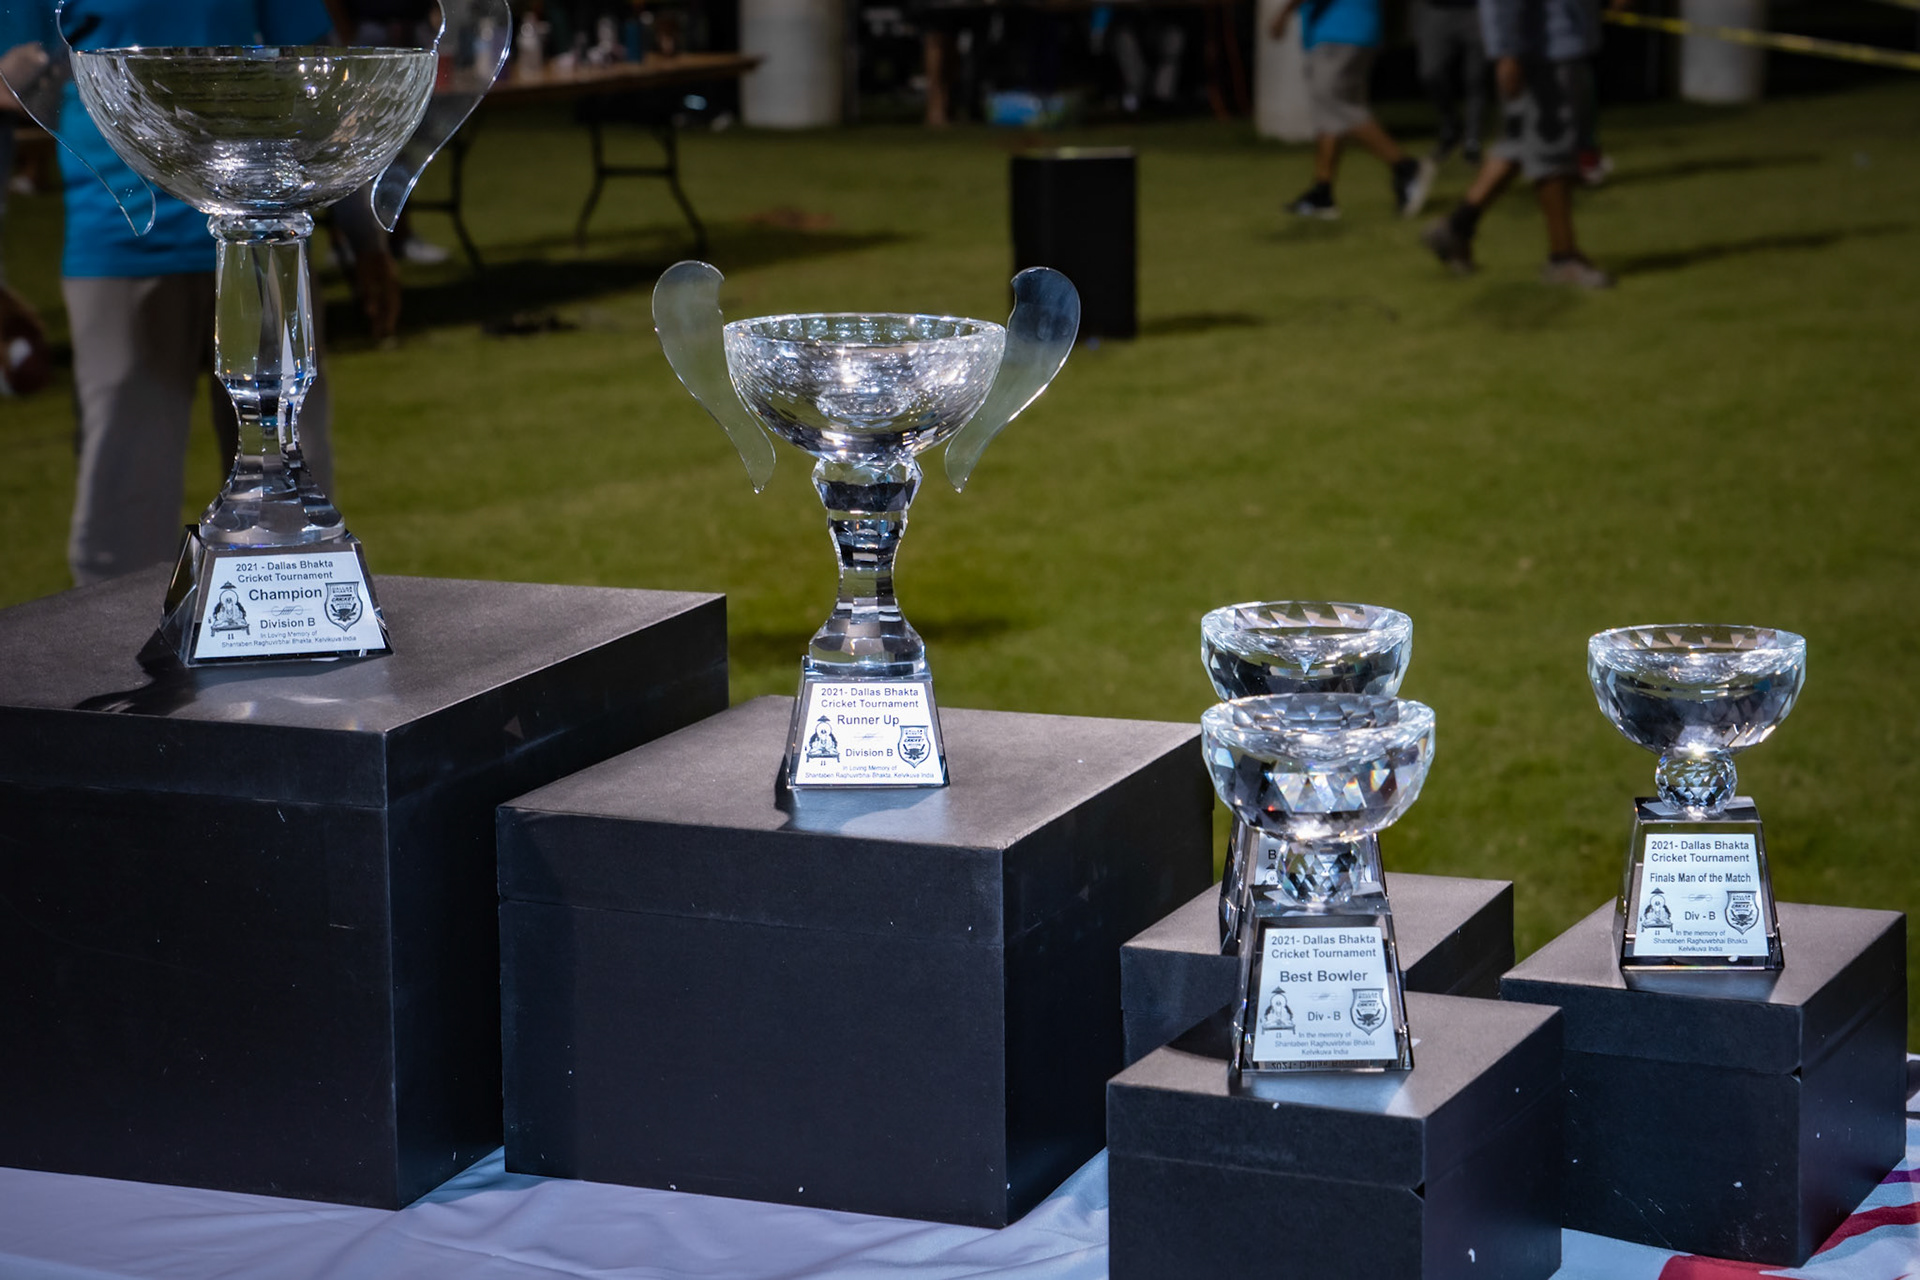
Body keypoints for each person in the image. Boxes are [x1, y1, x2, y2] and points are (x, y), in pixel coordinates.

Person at [46, 0, 397, 585]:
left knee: (289, 494)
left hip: (265, 229)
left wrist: (366, 235)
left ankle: (296, 628)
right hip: (123, 238)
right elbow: (18, 67)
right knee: (125, 505)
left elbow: (321, 79)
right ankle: (118, 640)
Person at [1418, 0, 1612, 286]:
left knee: (1518, 144)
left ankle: (1456, 228)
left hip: (1545, 44)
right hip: (1543, 49)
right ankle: (1563, 258)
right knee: (1553, 151)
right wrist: (1508, 52)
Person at [1272, 0, 1436, 220]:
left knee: (1334, 103)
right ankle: (1322, 193)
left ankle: (1406, 167)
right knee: (1330, 111)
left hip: (1340, 28)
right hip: (1352, 28)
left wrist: (1283, 12)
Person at [1416, 0, 1488, 164]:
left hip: (1476, 10)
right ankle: (1452, 125)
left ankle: (1472, 140)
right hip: (1438, 9)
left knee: (1475, 79)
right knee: (1430, 73)